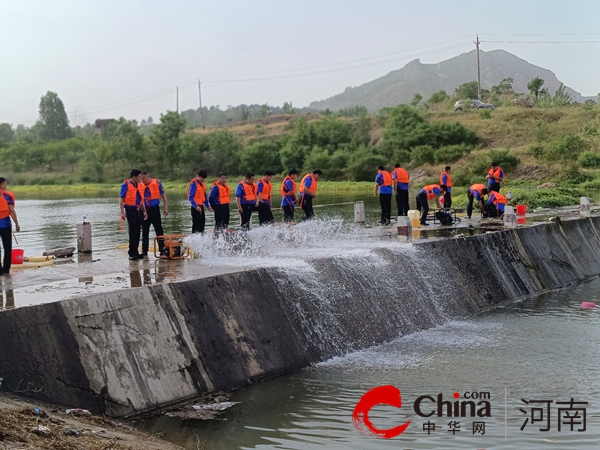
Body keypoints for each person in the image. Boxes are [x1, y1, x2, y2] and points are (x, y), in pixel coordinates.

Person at [119, 169, 148, 260]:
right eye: (139, 176)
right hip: (130, 210)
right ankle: (131, 252)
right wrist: (122, 212)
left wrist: (145, 211)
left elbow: (141, 200)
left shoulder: (138, 186)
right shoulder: (125, 185)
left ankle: (136, 251)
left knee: (138, 231)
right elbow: (121, 199)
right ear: (134, 177)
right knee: (133, 231)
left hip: (138, 210)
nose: (140, 178)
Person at [140, 171, 168, 257]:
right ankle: (144, 251)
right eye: (141, 179)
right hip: (144, 210)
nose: (142, 180)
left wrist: (165, 208)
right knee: (145, 230)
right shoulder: (140, 186)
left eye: (143, 179)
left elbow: (164, 196)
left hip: (154, 209)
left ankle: (162, 249)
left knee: (158, 229)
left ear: (148, 177)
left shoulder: (157, 184)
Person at [0, 178, 20, 275]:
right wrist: (16, 223)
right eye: (5, 184)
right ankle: (6, 270)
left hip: (4, 225)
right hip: (5, 225)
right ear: (2, 185)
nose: (5, 186)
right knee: (7, 248)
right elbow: (11, 211)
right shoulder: (7, 196)